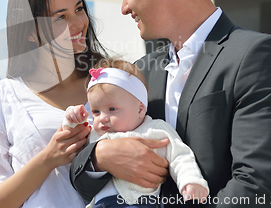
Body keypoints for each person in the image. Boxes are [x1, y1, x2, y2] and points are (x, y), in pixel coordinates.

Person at [70, 0, 271, 207]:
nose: (124, 7)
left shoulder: (258, 55)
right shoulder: (139, 71)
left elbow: (259, 188)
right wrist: (101, 156)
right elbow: (79, 173)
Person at [0, 0, 109, 208]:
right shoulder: (4, 96)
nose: (78, 23)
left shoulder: (110, 78)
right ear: (30, 33)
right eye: (61, 17)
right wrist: (48, 158)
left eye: (79, 9)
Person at [64, 59, 209, 208]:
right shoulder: (96, 135)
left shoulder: (155, 130)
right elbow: (72, 139)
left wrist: (190, 180)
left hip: (140, 202)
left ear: (140, 110)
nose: (103, 118)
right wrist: (72, 120)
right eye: (96, 111)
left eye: (112, 109)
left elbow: (179, 155)